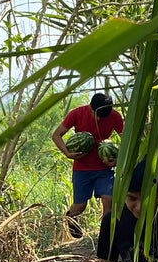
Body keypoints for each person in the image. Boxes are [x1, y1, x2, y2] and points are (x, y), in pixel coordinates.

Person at [51, 90, 125, 238]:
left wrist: (118, 160)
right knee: (80, 206)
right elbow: (56, 135)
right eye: (96, 114)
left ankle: (106, 237)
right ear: (90, 108)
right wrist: (67, 153)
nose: (98, 119)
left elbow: (128, 140)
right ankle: (71, 217)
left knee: (108, 199)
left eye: (102, 116)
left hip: (104, 168)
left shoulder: (115, 116)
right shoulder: (77, 113)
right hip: (82, 168)